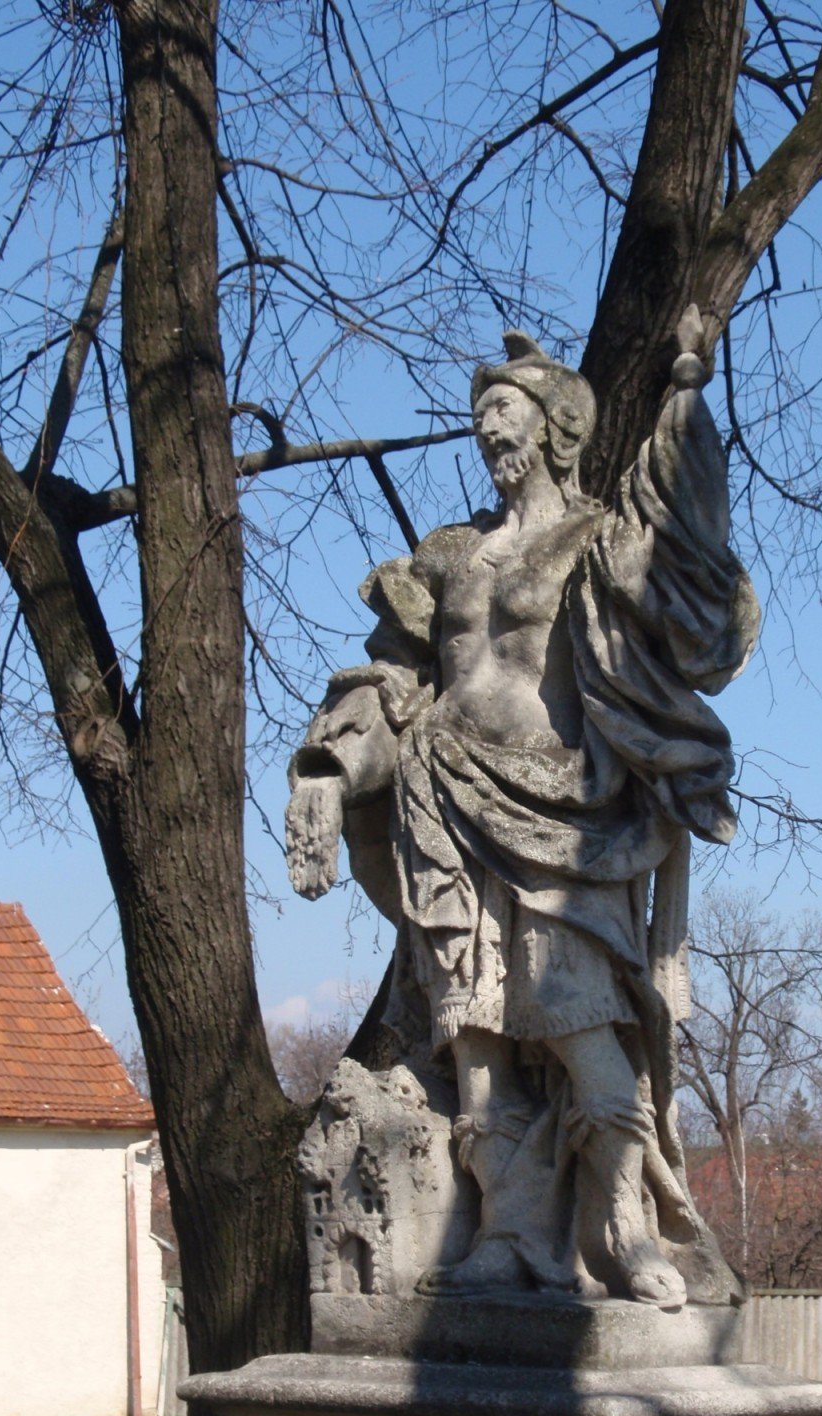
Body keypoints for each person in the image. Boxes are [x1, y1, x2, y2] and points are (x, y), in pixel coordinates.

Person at [287, 309, 759, 1307]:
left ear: (552, 426)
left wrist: (684, 426)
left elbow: (682, 607)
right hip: (443, 808)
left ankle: (626, 1230)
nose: (491, 433)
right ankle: (506, 1234)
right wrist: (328, 771)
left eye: (505, 413)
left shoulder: (595, 542)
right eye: (481, 419)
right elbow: (390, 680)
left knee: (588, 1031)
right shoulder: (449, 556)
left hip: (562, 821)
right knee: (481, 1048)